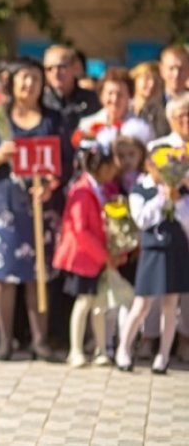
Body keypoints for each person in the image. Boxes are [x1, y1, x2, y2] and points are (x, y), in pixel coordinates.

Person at [0, 58, 74, 362]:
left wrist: (52, 185)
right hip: (3, 205)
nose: (29, 85)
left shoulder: (53, 119)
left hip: (41, 208)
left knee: (38, 275)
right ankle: (4, 340)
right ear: (13, 83)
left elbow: (67, 162)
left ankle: (40, 341)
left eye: (35, 78)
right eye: (23, 79)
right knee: (2, 275)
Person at [115, 141, 189, 374]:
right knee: (142, 303)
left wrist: (176, 199)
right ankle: (124, 349)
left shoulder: (182, 190)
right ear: (149, 165)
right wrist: (160, 199)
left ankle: (163, 356)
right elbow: (141, 219)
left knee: (170, 304)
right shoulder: (141, 190)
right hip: (152, 252)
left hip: (175, 250)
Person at [53, 136, 120, 367]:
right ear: (101, 167)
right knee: (84, 302)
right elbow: (80, 231)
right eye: (111, 167)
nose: (113, 173)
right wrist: (104, 255)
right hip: (83, 257)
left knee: (99, 303)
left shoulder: (101, 189)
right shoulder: (82, 191)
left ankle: (101, 349)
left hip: (96, 257)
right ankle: (76, 349)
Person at [42, 45, 100, 129]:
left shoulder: (93, 99)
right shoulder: (40, 101)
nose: (55, 72)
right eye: (49, 68)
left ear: (75, 68)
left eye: (61, 67)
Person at [129, 62, 169, 138]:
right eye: (147, 78)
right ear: (135, 80)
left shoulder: (166, 110)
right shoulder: (124, 108)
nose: (152, 84)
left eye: (156, 80)